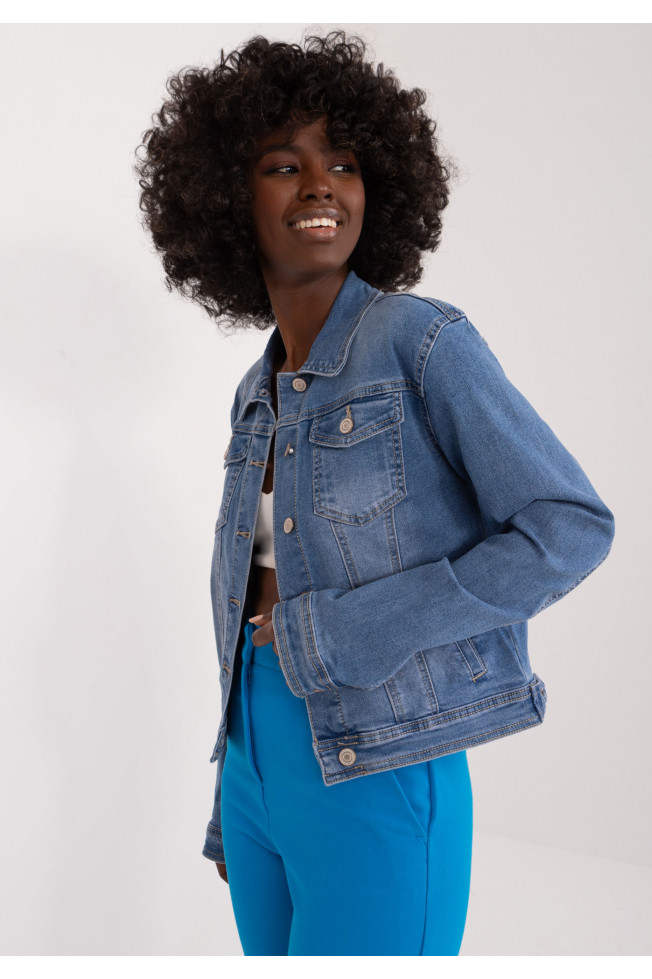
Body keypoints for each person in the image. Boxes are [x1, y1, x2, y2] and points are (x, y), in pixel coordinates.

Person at [135, 31, 615, 956]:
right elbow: (252, 593)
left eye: (344, 164)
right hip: (257, 766)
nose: (321, 185)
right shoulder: (257, 392)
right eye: (285, 165)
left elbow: (568, 526)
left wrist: (350, 630)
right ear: (227, 199)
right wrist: (239, 790)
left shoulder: (418, 341)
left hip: (378, 758)